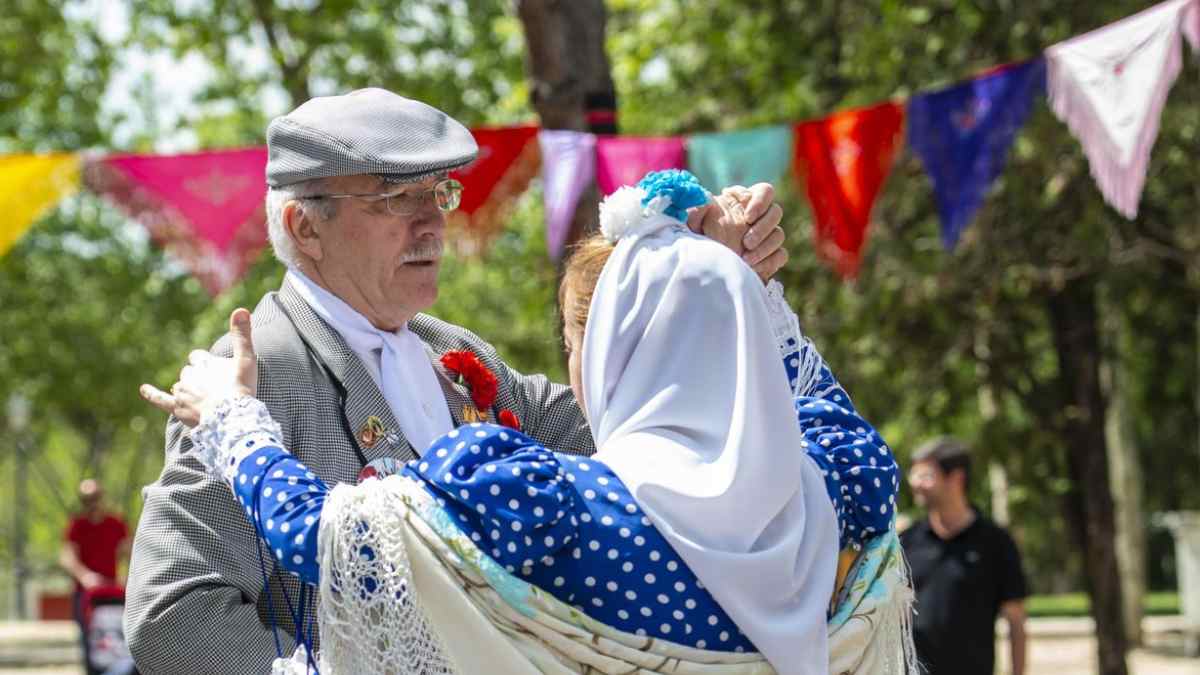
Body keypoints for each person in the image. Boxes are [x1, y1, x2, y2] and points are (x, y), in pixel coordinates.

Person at [127, 89, 790, 674]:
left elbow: (626, 428)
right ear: (306, 226)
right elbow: (172, 612)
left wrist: (700, 271)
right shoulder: (254, 370)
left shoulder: (452, 349)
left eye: (437, 193)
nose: (433, 222)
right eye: (396, 198)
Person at [900, 437, 1028, 675]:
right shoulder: (906, 541)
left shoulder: (995, 542)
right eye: (913, 475)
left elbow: (1016, 620)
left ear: (956, 479)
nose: (915, 483)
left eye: (926, 476)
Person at [60, 479, 131, 675]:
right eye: (86, 499)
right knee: (89, 643)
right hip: (86, 596)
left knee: (117, 642)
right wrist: (85, 576)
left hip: (113, 596)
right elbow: (67, 557)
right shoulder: (77, 525)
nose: (91, 503)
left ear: (102, 497)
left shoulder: (116, 523)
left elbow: (131, 552)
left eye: (95, 498)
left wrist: (129, 577)